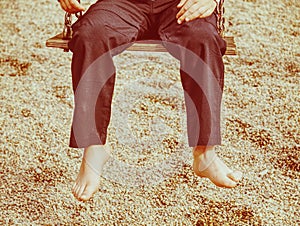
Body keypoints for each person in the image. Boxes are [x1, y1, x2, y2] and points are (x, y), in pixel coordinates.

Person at [58, 0, 243, 201]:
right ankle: (94, 146)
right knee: (91, 35)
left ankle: (205, 153)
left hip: (181, 3)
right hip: (121, 4)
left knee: (203, 38)